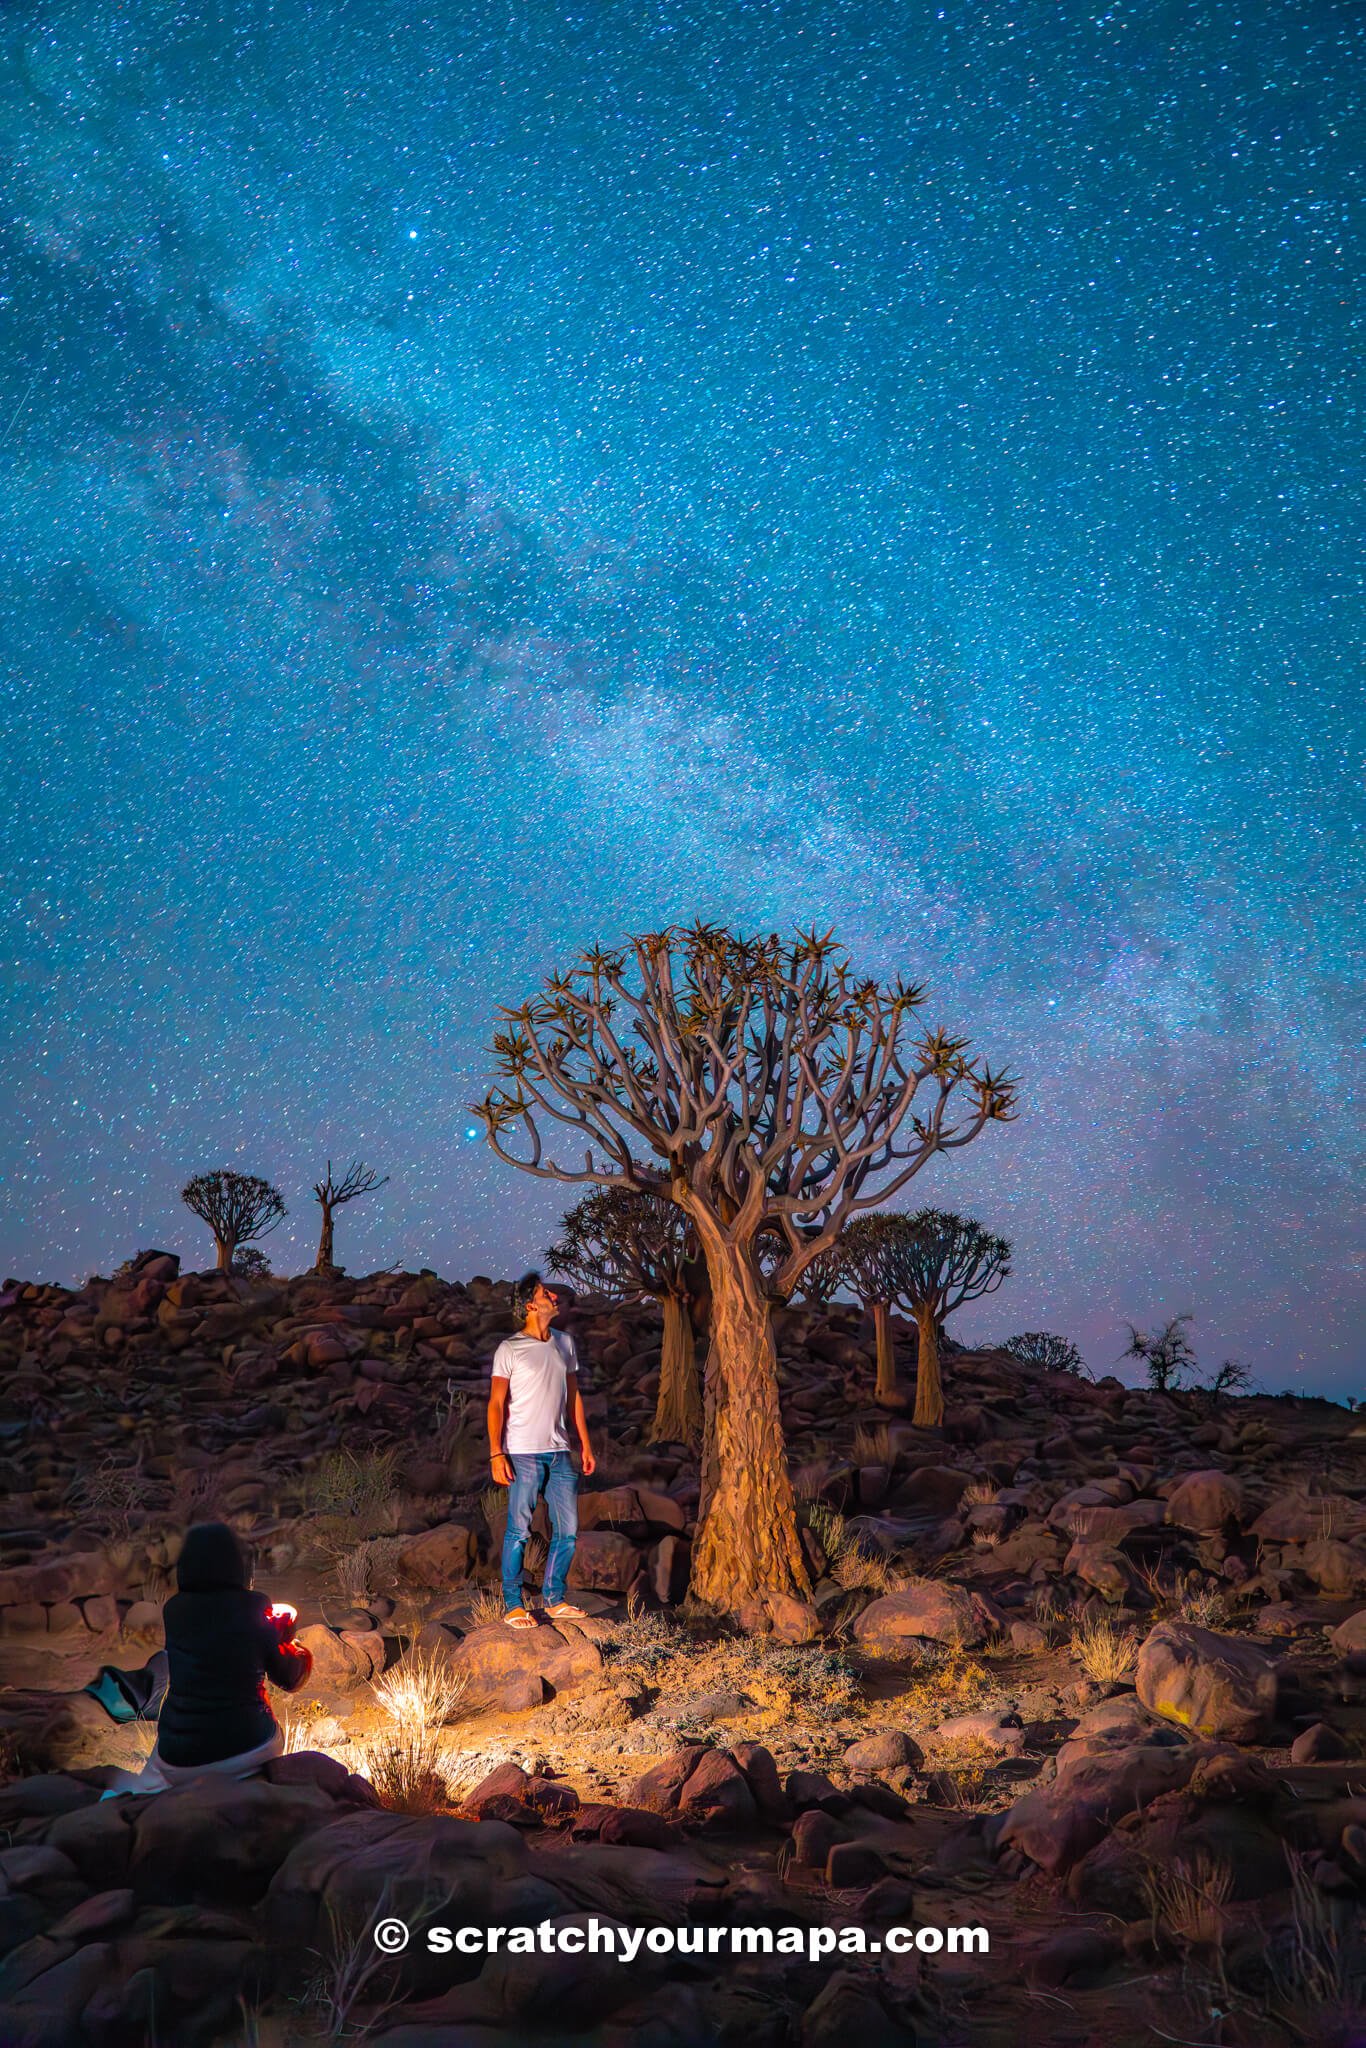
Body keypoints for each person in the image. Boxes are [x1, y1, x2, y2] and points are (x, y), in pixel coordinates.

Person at [102, 1521, 312, 1797]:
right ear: (237, 1564)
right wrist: (287, 1640)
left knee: (156, 1765)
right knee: (270, 1732)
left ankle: (138, 1800)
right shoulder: (255, 1606)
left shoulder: (174, 1611)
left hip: (178, 1758)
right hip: (246, 1748)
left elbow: (210, 1649)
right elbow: (290, 1678)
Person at [487, 1272, 596, 1629]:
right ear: (531, 1305)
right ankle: (513, 1603)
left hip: (560, 1450)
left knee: (568, 1529)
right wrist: (496, 1453)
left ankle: (554, 1598)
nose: (553, 1294)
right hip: (522, 1452)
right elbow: (496, 1405)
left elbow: (574, 1396)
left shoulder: (564, 1343)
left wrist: (584, 1443)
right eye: (543, 1292)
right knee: (519, 1529)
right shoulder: (510, 1349)